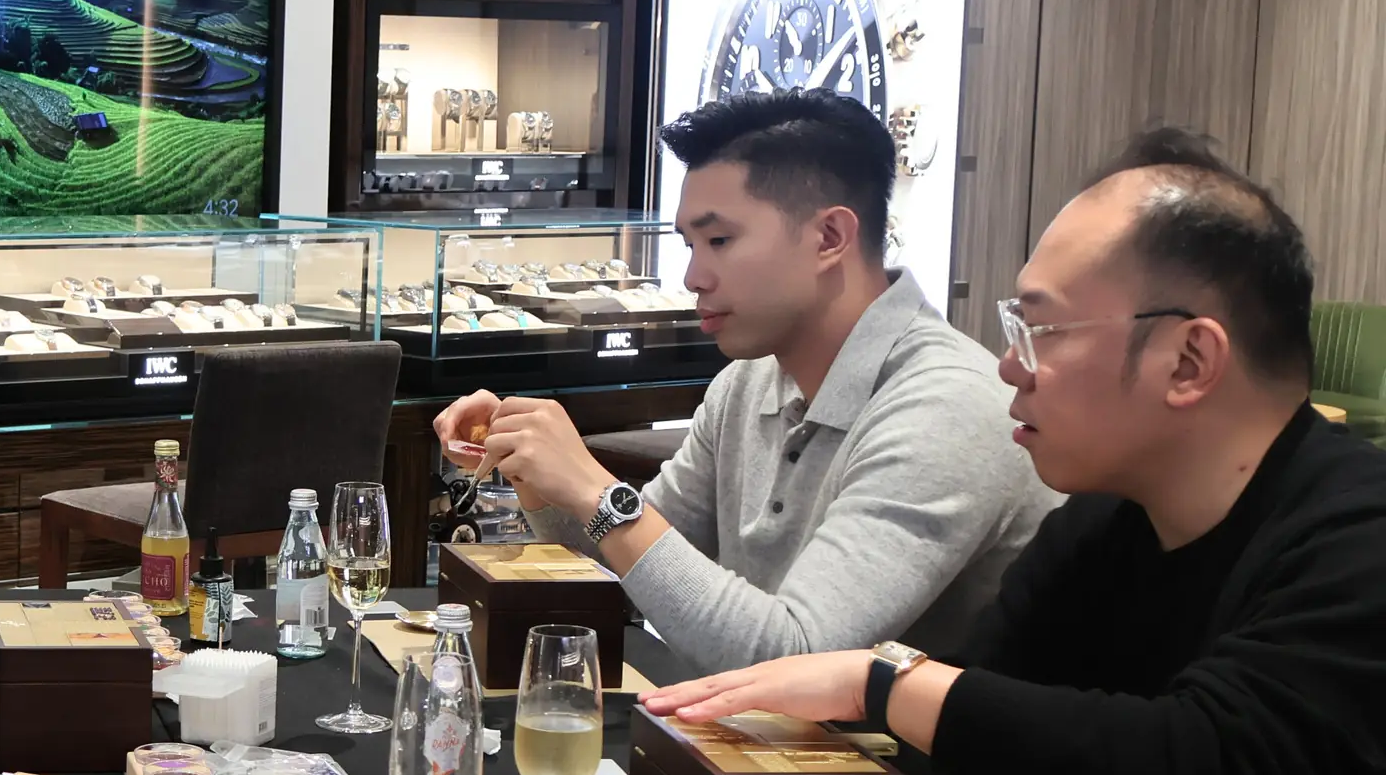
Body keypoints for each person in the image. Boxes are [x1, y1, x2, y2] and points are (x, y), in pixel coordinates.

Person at [641, 130, 1386, 775]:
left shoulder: (1355, 541)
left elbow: (1200, 766)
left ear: (1188, 360)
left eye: (1040, 330)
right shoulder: (1103, 525)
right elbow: (934, 763)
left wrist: (881, 680)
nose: (1006, 367)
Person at [435, 89, 1057, 672]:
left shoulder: (947, 406)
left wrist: (600, 494)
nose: (694, 276)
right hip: (750, 743)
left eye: (720, 240)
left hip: (888, 756)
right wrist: (535, 467)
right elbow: (615, 573)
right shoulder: (748, 383)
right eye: (690, 244)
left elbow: (797, 658)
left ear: (830, 237)